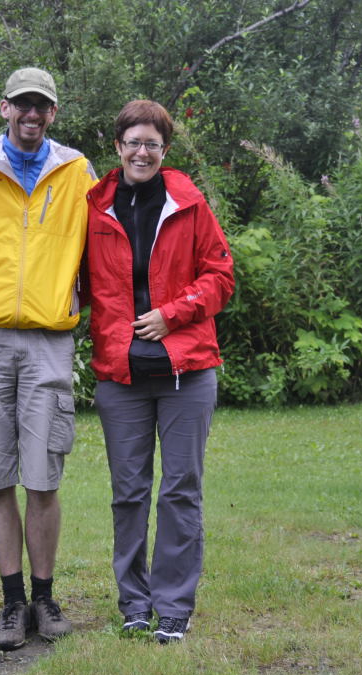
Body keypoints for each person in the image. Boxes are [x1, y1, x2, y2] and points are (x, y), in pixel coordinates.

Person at [0, 67, 97, 651]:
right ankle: (11, 602)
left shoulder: (78, 171)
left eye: (44, 106)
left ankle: (44, 596)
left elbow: (104, 247)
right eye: (23, 105)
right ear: (4, 108)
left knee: (43, 474)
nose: (33, 114)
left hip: (49, 337)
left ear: (53, 114)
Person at [85, 100, 234, 644]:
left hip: (186, 372)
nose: (142, 151)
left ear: (164, 151)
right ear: (118, 146)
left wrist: (172, 314)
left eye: (152, 143)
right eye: (133, 142)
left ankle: (172, 606)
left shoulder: (190, 205)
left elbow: (221, 276)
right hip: (119, 375)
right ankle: (134, 601)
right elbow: (73, 279)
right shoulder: (93, 206)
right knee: (128, 493)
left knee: (180, 491)